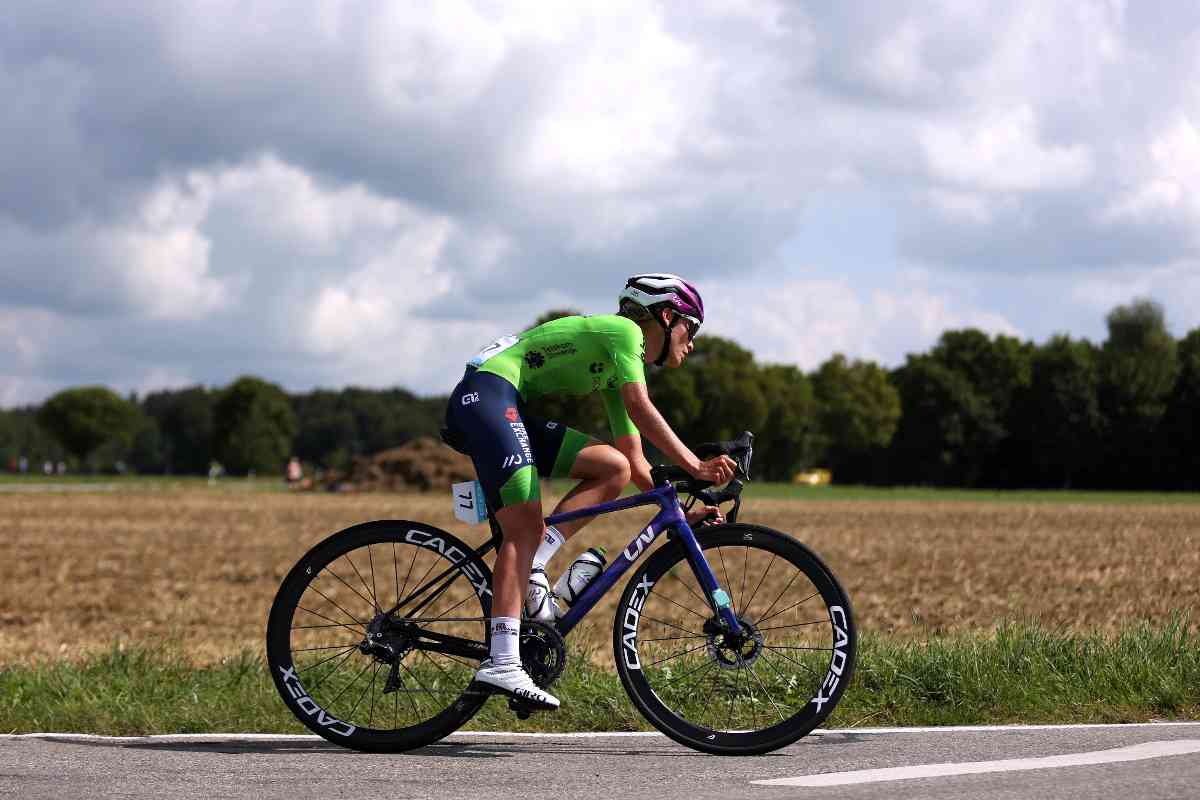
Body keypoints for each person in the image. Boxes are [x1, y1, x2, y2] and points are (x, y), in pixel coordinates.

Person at [443, 274, 737, 711]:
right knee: (521, 529)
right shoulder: (624, 332)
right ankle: (502, 661)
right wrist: (695, 465)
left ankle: (535, 566)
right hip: (486, 395)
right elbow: (642, 406)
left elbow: (635, 463)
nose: (690, 344)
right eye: (690, 330)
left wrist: (680, 513)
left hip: (503, 403)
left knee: (611, 468)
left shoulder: (615, 365)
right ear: (668, 316)